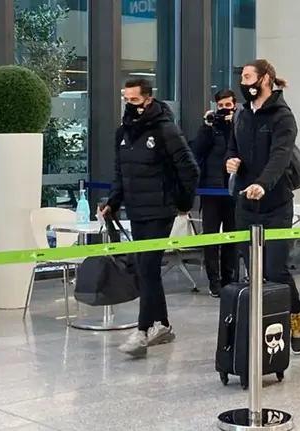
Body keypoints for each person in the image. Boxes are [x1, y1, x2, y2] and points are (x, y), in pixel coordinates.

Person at [101, 78, 200, 356]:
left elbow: (190, 170)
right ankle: (164, 325)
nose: (129, 105)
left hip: (160, 208)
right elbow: (121, 173)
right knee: (147, 268)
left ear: (147, 99)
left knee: (147, 266)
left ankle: (143, 330)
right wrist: (113, 201)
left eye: (134, 100)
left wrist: (182, 203)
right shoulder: (123, 133)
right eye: (126, 99)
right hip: (136, 208)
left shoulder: (166, 130)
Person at [225, 59, 300, 355]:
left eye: (248, 76)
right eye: (242, 76)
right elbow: (233, 145)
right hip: (245, 204)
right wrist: (231, 160)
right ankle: (260, 322)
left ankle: (295, 312)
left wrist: (263, 183)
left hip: (276, 204)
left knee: (275, 269)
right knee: (251, 269)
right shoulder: (243, 114)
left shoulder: (283, 117)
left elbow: (280, 156)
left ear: (265, 79)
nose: (243, 81)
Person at [192, 89, 239, 298]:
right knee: (211, 238)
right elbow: (196, 152)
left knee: (232, 237)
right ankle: (214, 281)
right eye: (220, 106)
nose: (224, 110)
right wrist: (207, 126)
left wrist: (232, 123)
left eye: (228, 105)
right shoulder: (210, 128)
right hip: (211, 191)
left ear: (235, 106)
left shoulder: (240, 125)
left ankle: (230, 278)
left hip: (232, 191)